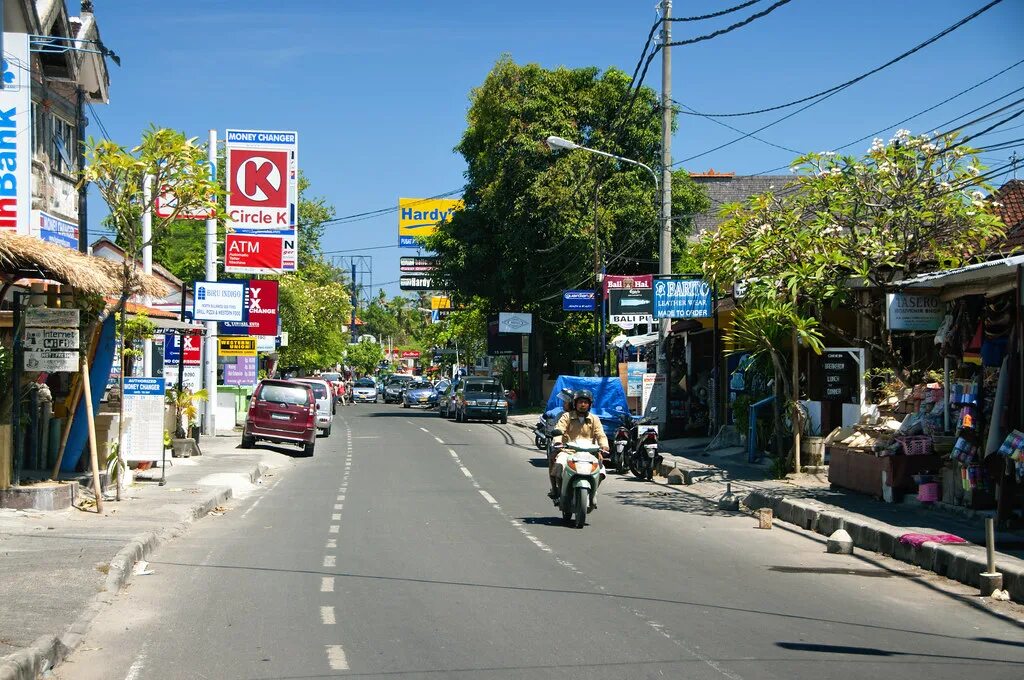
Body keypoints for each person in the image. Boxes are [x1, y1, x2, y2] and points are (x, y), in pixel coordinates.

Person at [548, 389, 608, 499]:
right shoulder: (566, 416)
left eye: (586, 402)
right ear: (575, 403)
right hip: (568, 451)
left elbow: (601, 434)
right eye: (580, 402)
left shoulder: (595, 419)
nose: (583, 405)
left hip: (590, 453)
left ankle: (592, 493)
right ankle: (562, 492)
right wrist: (557, 441)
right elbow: (559, 429)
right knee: (559, 465)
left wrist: (604, 446)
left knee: (601, 472)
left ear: (590, 405)